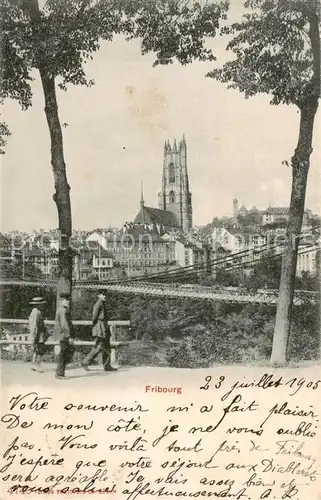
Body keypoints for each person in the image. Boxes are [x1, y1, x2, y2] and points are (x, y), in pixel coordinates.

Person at [81, 291, 117, 372]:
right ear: (99, 295)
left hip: (104, 327)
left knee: (107, 346)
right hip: (100, 327)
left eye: (105, 294)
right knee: (98, 347)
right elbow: (94, 317)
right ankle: (85, 362)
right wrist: (96, 327)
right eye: (103, 294)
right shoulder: (98, 304)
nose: (104, 296)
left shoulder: (103, 303)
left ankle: (107, 365)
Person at [55, 292, 75, 379]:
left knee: (63, 354)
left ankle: (60, 373)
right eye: (65, 300)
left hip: (61, 335)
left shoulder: (61, 310)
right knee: (63, 354)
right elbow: (64, 325)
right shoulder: (63, 310)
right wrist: (69, 336)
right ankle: (59, 374)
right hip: (63, 336)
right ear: (61, 301)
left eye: (68, 300)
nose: (67, 302)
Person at [29, 296, 49, 372]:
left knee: (36, 349)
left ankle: (33, 364)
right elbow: (34, 325)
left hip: (39, 333)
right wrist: (34, 335)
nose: (43, 306)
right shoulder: (36, 313)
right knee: (40, 349)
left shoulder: (37, 311)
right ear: (37, 305)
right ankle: (37, 364)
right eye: (41, 304)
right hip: (38, 334)